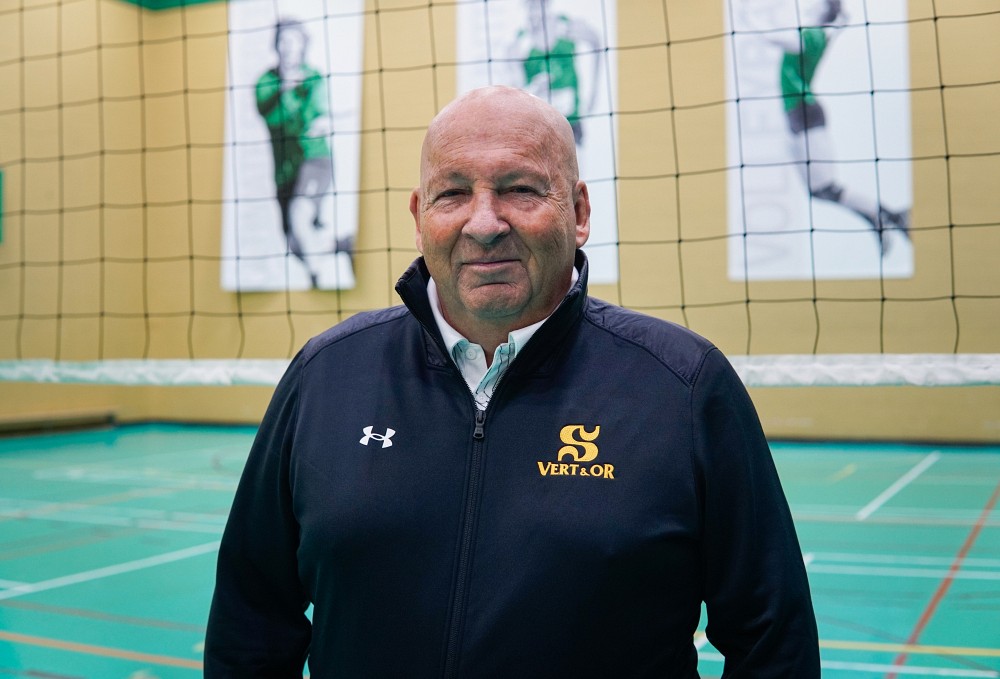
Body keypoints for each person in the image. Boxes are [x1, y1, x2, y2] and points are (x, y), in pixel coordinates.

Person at [205, 85, 820, 677]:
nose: (484, 222)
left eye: (519, 189)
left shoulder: (684, 386)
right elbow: (251, 621)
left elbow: (772, 640)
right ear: (420, 218)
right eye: (452, 194)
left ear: (578, 212)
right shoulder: (326, 375)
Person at [759, 0, 910, 256]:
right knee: (819, 192)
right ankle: (882, 220)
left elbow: (772, 37)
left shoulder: (811, 35)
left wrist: (750, 19)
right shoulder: (819, 33)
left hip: (806, 113)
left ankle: (888, 218)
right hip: (797, 118)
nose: (808, 6)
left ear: (823, 9)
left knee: (826, 188)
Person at [256, 19, 354, 288]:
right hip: (285, 171)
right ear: (276, 45)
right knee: (296, 244)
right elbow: (271, 117)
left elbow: (318, 113)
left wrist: (322, 121)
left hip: (315, 159)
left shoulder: (313, 77)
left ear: (303, 45)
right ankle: (341, 244)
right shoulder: (265, 82)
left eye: (294, 41)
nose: (288, 47)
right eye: (283, 41)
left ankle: (316, 280)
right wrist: (286, 88)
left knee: (300, 214)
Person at [506, 0, 603, 145]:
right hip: (539, 128)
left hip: (571, 122)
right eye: (531, 6)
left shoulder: (566, 27)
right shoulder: (520, 44)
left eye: (538, 5)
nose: (535, 12)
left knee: (575, 165)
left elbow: (596, 41)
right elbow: (517, 93)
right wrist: (534, 88)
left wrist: (594, 93)